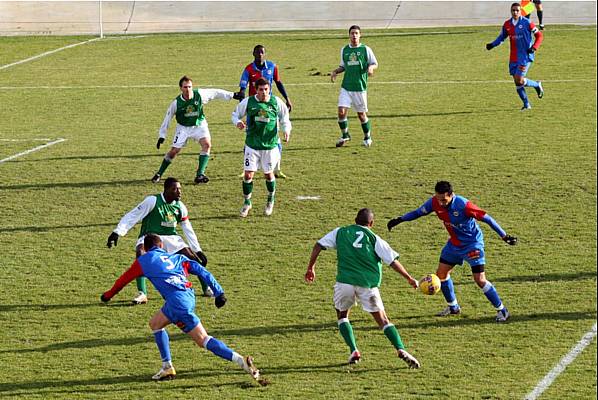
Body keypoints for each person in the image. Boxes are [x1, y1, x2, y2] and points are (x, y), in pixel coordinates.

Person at [101, 234, 260, 382]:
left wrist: (108, 295)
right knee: (156, 323)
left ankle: (240, 361)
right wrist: (219, 293)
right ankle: (167, 367)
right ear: (162, 246)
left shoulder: (143, 261)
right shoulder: (178, 257)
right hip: (188, 297)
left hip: (177, 303)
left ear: (146, 248)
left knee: (202, 339)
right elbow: (202, 271)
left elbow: (123, 280)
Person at [304, 208, 421, 368]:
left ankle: (354, 350)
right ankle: (400, 348)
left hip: (345, 283)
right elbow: (392, 261)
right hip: (368, 285)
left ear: (355, 220)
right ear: (371, 223)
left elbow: (318, 245)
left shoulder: (341, 232)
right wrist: (409, 278)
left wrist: (311, 267)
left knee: (342, 316)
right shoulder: (374, 238)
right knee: (383, 321)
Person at [387, 181, 518, 322]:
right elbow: (418, 213)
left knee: (479, 279)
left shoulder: (464, 205)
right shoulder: (435, 202)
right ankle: (453, 307)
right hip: (454, 245)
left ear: (451, 195)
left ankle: (502, 311)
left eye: (444, 200)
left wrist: (504, 236)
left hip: (472, 245)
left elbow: (488, 219)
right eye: (438, 199)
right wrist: (400, 220)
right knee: (441, 274)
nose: (441, 203)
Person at [106, 177, 212, 303]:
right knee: (141, 257)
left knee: (193, 259)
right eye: (175, 189)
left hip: (171, 238)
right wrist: (118, 231)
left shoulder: (180, 207)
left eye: (180, 189)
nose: (179, 192)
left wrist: (197, 250)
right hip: (150, 237)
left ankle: (206, 288)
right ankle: (142, 293)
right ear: (166, 190)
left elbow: (188, 229)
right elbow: (133, 215)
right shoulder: (152, 201)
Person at [151, 75, 244, 184]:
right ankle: (159, 173)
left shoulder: (199, 94)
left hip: (199, 124)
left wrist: (232, 95)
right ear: (181, 88)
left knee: (207, 145)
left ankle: (200, 174)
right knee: (174, 151)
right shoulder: (176, 103)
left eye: (190, 87)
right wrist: (162, 136)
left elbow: (215, 93)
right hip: (183, 128)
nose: (188, 89)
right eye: (185, 87)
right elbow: (168, 118)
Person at [231, 78, 291, 218]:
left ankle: (270, 199)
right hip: (252, 145)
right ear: (256, 90)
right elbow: (235, 115)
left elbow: (285, 119)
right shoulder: (249, 102)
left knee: (268, 174)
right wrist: (238, 122)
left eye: (266, 89)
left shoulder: (276, 102)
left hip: (270, 146)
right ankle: (247, 203)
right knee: (248, 175)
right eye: (260, 89)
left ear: (269, 88)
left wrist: (286, 130)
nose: (264, 92)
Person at [239, 45, 292, 178]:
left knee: (275, 138)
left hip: (270, 108)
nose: (260, 55)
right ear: (253, 54)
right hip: (253, 109)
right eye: (257, 52)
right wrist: (242, 100)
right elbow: (243, 86)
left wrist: (287, 98)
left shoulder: (272, 66)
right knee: (250, 137)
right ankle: (246, 168)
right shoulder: (249, 69)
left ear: (265, 54)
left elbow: (278, 83)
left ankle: (277, 168)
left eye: (262, 52)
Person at [486, 2, 544, 111]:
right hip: (513, 57)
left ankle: (536, 85)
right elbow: (501, 38)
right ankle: (526, 105)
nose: (515, 12)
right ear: (511, 11)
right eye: (513, 10)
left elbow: (539, 36)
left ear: (520, 11)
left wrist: (534, 47)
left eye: (517, 10)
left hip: (525, 56)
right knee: (517, 83)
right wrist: (492, 45)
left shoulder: (527, 23)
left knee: (519, 79)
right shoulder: (507, 24)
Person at [331, 25, 378, 148]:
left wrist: (370, 68)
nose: (354, 35)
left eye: (356, 33)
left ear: (360, 35)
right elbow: (344, 66)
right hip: (346, 87)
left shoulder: (365, 49)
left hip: (359, 88)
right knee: (341, 112)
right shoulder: (344, 50)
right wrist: (336, 71)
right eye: (352, 33)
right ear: (349, 35)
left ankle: (367, 137)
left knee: (361, 115)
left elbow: (374, 63)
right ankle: (345, 135)